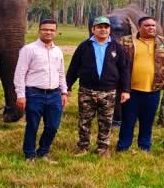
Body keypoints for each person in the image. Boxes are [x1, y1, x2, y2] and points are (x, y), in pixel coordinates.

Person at [66, 16, 131, 158]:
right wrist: (67, 86)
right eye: (99, 27)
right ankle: (83, 146)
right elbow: (73, 67)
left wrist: (126, 90)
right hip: (86, 91)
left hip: (108, 91)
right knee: (84, 120)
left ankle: (103, 148)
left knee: (106, 121)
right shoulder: (84, 47)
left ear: (109, 30)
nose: (103, 30)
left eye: (106, 27)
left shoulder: (117, 48)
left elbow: (124, 70)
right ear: (93, 29)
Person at [14, 19, 68, 162]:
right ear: (39, 30)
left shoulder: (58, 51)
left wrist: (64, 92)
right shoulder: (29, 49)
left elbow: (61, 73)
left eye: (52, 30)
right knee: (32, 125)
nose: (48, 32)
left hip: (54, 94)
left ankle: (43, 152)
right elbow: (19, 73)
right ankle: (29, 154)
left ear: (56, 32)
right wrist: (21, 95)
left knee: (53, 126)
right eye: (45, 29)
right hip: (34, 93)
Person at [117, 16, 164, 152]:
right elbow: (118, 63)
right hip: (131, 90)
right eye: (147, 25)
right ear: (139, 27)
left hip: (153, 90)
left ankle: (144, 147)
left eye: (153, 25)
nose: (151, 28)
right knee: (128, 121)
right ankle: (123, 146)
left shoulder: (163, 42)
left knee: (147, 121)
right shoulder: (127, 41)